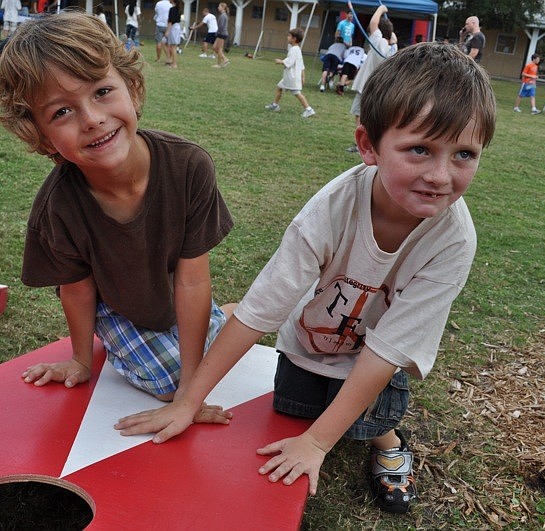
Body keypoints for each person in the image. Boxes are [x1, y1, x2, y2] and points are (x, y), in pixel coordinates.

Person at [115, 42, 497, 515]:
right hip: (308, 341)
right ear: (368, 146)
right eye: (419, 149)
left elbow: (386, 350)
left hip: (373, 353)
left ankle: (390, 446)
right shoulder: (331, 208)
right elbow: (262, 309)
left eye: (464, 154)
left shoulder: (454, 240)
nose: (441, 175)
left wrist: (316, 444)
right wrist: (188, 400)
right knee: (293, 410)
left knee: (368, 421)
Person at [0, 13, 235, 421]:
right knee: (167, 381)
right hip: (116, 306)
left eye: (102, 91)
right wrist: (80, 361)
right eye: (61, 113)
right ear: (39, 134)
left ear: (133, 87)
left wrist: (192, 394)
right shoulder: (57, 207)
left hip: (174, 291)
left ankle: (222, 315)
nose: (91, 118)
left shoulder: (189, 166)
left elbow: (193, 279)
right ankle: (222, 319)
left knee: (190, 376)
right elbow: (76, 290)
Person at [346, 4, 392, 152]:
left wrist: (382, 9)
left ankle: (361, 145)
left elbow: (373, 23)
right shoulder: (391, 46)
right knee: (370, 115)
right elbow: (390, 35)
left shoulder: (379, 42)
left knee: (360, 115)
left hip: (366, 86)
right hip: (377, 87)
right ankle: (370, 143)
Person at [264, 28, 315, 118]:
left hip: (292, 77)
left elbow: (290, 62)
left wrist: (280, 61)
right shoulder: (297, 49)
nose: (287, 37)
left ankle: (309, 109)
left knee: (297, 93)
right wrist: (303, 76)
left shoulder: (294, 50)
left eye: (289, 36)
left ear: (294, 39)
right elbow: (301, 64)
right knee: (279, 87)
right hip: (290, 77)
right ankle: (275, 105)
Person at [164, 0, 183, 68]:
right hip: (177, 27)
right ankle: (170, 61)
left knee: (173, 47)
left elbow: (170, 21)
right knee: (172, 46)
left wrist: (167, 31)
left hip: (173, 28)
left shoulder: (172, 9)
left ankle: (174, 64)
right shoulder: (178, 9)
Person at [212, 2, 230, 68]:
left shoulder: (223, 15)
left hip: (222, 34)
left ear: (223, 7)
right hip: (220, 33)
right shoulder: (223, 15)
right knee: (214, 47)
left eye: (219, 6)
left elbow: (221, 27)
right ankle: (225, 59)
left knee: (219, 49)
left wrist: (218, 33)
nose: (218, 7)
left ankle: (219, 64)